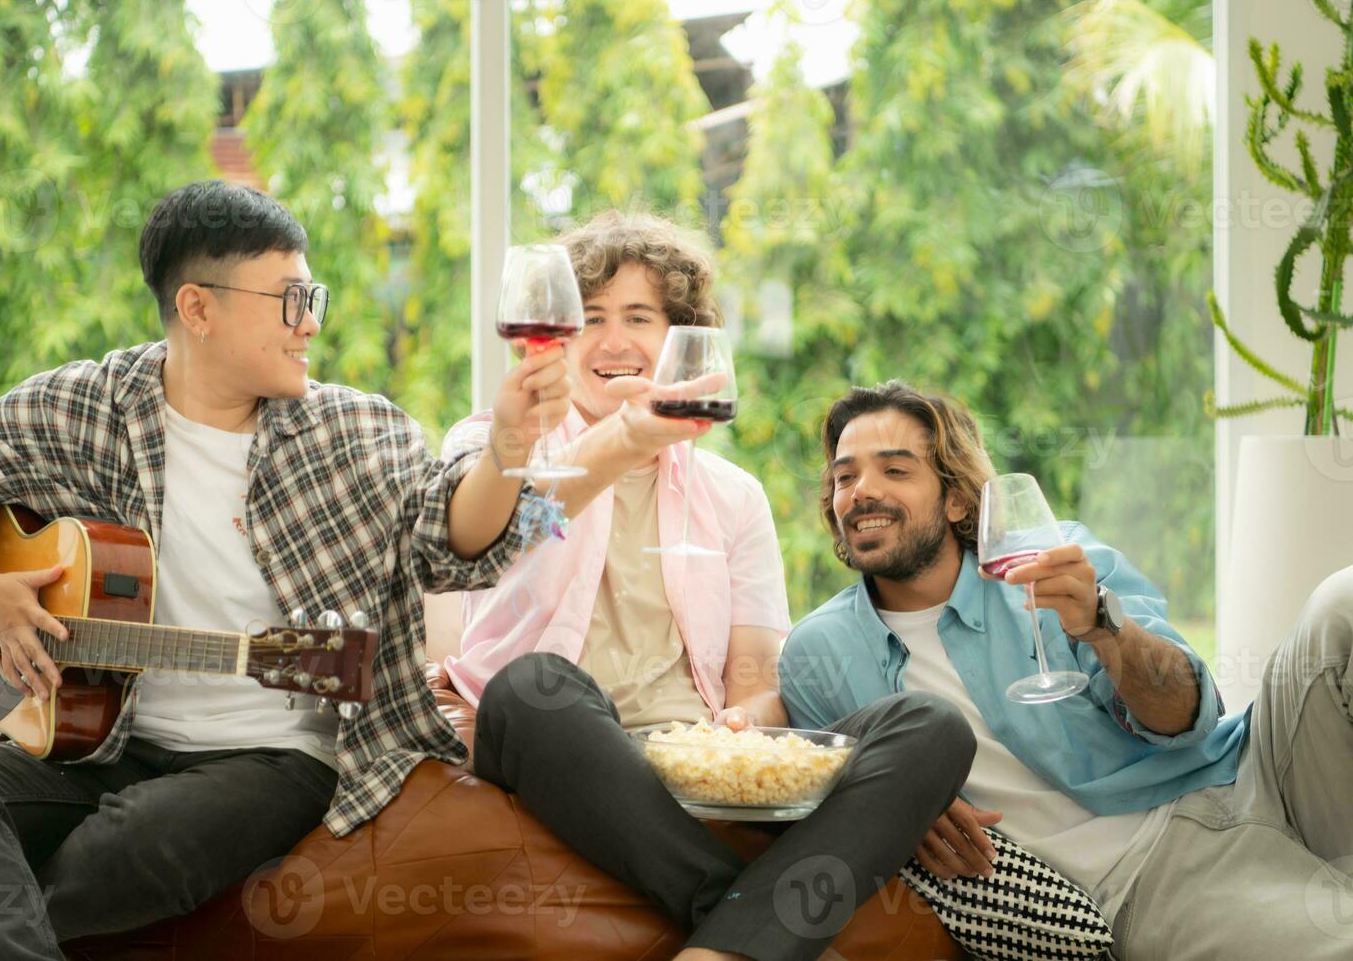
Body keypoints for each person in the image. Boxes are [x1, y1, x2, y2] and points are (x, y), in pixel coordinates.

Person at [0, 179, 576, 961]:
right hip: (109, 745)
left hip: (274, 757)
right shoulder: (86, 409)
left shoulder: (353, 426)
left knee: (138, 843)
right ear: (198, 310)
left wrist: (508, 450)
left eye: (312, 295)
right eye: (288, 300)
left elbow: (447, 540)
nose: (310, 321)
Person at [443, 212, 976, 961]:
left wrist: (742, 724)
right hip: (557, 744)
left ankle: (718, 948)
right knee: (532, 686)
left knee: (930, 726)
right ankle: (755, 932)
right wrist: (625, 436)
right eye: (591, 318)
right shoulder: (495, 440)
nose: (615, 340)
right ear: (557, 337)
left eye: (639, 317)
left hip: (689, 762)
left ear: (679, 337)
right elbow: (489, 531)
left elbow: (756, 673)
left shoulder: (732, 495)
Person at [781, 380, 1353, 960]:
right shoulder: (818, 655)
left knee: (1343, 599)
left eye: (895, 471)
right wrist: (898, 808)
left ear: (956, 499)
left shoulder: (1055, 560)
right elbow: (828, 799)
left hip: (1253, 770)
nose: (861, 493)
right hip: (1151, 870)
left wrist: (1104, 629)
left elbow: (1190, 717)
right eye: (845, 476)